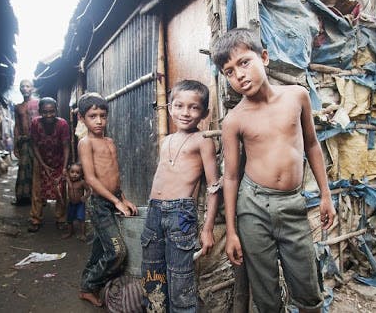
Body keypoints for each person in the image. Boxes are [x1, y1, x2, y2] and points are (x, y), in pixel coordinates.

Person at [211, 27, 336, 313]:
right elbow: (230, 177)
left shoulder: (297, 96)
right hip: (253, 206)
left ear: (264, 58)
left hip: (292, 204)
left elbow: (313, 146)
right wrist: (231, 231)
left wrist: (326, 195)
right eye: (229, 72)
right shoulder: (234, 120)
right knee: (266, 296)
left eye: (244, 62)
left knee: (308, 291)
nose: (239, 75)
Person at [141, 80, 220, 312]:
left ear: (204, 112)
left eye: (194, 107)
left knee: (180, 280)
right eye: (180, 105)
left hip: (180, 215)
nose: (186, 112)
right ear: (170, 107)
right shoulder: (166, 141)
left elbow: (214, 185)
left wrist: (206, 228)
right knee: (152, 274)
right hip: (154, 211)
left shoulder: (203, 140)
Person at [77, 92, 138, 307]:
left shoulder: (110, 141)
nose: (99, 121)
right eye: (92, 116)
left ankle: (88, 284)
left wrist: (123, 198)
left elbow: (113, 175)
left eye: (103, 115)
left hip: (113, 200)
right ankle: (90, 284)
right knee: (117, 250)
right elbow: (92, 179)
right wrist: (115, 202)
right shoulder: (86, 143)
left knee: (102, 247)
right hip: (99, 204)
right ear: (81, 118)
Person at [27, 97, 70, 233]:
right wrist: (42, 164)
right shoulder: (35, 123)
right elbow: (34, 145)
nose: (49, 115)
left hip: (59, 160)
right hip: (40, 160)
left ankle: (61, 219)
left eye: (52, 111)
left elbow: (66, 146)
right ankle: (35, 219)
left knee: (61, 189)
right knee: (37, 190)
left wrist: (64, 167)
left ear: (56, 110)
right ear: (40, 111)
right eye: (45, 112)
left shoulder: (62, 124)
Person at [13, 79, 40, 206]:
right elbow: (17, 126)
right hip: (24, 141)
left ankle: (39, 197)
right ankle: (23, 197)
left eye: (27, 86)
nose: (25, 88)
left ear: (32, 89)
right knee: (23, 168)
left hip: (38, 141)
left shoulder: (38, 104)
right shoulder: (18, 107)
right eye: (22, 86)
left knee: (37, 168)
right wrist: (15, 144)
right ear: (20, 89)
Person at [61, 162, 91, 241]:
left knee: (81, 219)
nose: (74, 174)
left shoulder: (82, 182)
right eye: (72, 172)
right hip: (71, 203)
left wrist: (85, 197)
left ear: (81, 174)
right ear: (69, 173)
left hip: (80, 204)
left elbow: (89, 190)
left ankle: (83, 234)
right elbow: (64, 176)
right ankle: (70, 232)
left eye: (77, 173)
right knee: (69, 219)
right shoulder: (68, 180)